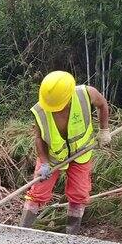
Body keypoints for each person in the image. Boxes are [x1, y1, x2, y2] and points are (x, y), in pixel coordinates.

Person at [20, 70, 111, 234]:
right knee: (37, 192)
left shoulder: (86, 94)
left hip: (81, 153)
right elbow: (39, 138)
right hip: (52, 156)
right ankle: (23, 231)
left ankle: (71, 235)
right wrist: (44, 162)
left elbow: (103, 104)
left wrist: (104, 130)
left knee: (79, 194)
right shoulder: (41, 110)